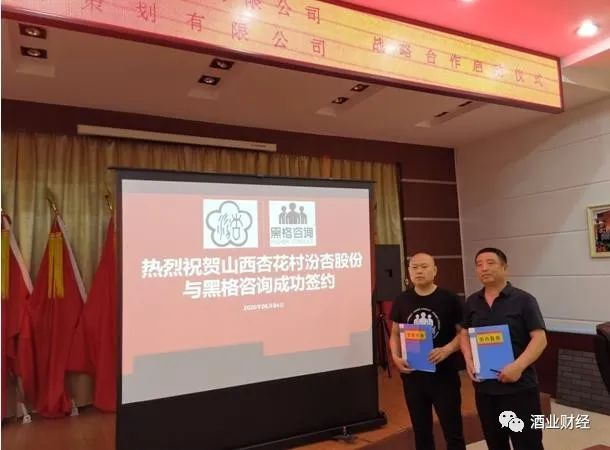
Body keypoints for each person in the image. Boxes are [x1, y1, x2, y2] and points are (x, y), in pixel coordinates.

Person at [460, 247, 547, 450]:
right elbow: (464, 333)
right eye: (479, 264)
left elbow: (540, 339)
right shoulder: (472, 302)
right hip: (485, 389)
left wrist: (518, 366)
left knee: (528, 444)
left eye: (490, 263)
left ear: (504, 267)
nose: (484, 268)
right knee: (495, 443)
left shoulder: (524, 300)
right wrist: (469, 359)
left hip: (520, 388)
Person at [390, 253, 466, 450]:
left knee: (453, 430)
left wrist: (447, 349)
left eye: (424, 267)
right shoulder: (402, 299)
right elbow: (395, 333)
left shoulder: (450, 299)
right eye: (414, 267)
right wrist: (396, 357)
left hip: (444, 375)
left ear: (434, 270)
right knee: (421, 431)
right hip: (414, 376)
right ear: (409, 272)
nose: (419, 271)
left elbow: (463, 334)